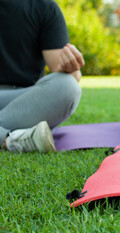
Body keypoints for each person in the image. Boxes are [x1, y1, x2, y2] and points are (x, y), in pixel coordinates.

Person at [0, 0, 85, 153]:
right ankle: (11, 139)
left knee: (68, 86)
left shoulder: (44, 7)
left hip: (26, 102)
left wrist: (69, 67)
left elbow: (70, 75)